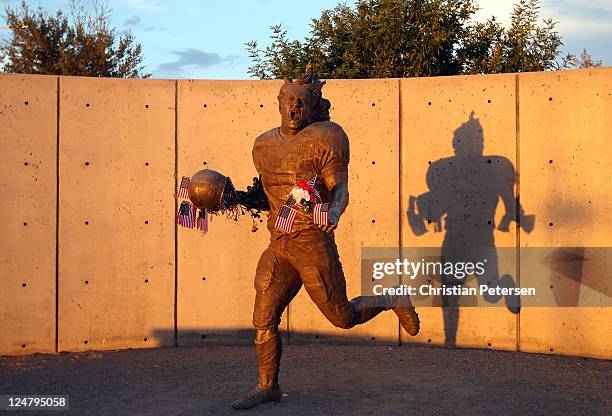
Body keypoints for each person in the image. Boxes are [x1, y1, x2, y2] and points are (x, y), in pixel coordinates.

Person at [232, 66, 420, 410]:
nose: (293, 108)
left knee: (342, 317)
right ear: (278, 103)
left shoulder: (327, 136)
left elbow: (340, 187)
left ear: (312, 105)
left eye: (301, 102)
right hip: (279, 243)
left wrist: (334, 212)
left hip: (312, 243)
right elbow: (267, 195)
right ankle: (267, 385)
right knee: (263, 316)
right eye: (288, 101)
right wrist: (232, 200)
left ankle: (392, 298)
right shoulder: (262, 144)